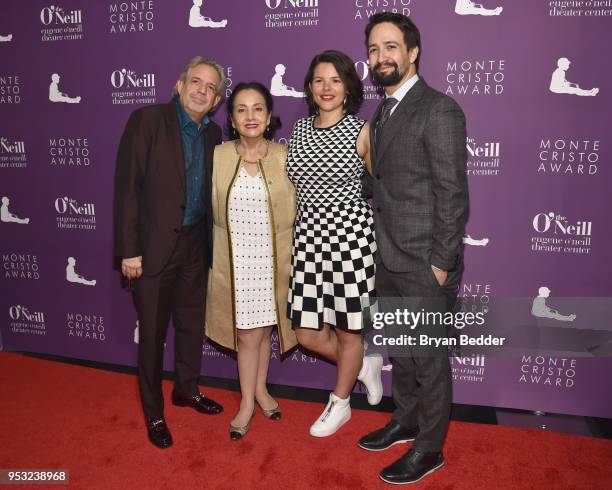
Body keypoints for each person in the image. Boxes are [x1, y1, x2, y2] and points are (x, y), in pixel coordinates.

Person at [358, 13, 468, 484]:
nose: (381, 57)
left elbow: (452, 193)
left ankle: (430, 448)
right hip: (388, 256)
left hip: (424, 261)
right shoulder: (382, 110)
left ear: (412, 52)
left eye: (390, 47)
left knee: (428, 360)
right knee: (401, 353)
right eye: (374, 49)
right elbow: (383, 185)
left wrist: (442, 263)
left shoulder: (438, 109)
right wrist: (366, 159)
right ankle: (405, 421)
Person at [114, 56, 226, 449]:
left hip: (196, 245)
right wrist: (129, 251)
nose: (201, 91)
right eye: (196, 82)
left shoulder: (215, 136)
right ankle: (154, 412)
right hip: (153, 249)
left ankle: (186, 389)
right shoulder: (147, 120)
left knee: (192, 325)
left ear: (216, 100)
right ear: (180, 85)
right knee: (153, 334)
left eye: (211, 87)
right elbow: (128, 188)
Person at [286, 50, 383, 438]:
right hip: (308, 239)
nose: (326, 88)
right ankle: (361, 365)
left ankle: (340, 402)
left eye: (335, 80)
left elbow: (384, 186)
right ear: (310, 87)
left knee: (348, 331)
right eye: (319, 80)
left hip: (351, 241)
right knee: (307, 331)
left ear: (348, 87)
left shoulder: (361, 131)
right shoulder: (298, 129)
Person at [205, 82, 298, 440]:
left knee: (263, 334)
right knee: (248, 336)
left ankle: (260, 390)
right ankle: (248, 401)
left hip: (273, 263)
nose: (250, 116)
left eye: (258, 108)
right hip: (234, 264)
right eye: (241, 109)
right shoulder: (218, 155)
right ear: (231, 118)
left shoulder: (285, 156)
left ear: (270, 116)